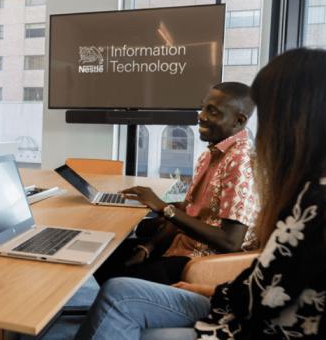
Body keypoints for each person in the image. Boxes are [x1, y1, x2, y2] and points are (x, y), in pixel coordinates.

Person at [75, 48, 326, 339]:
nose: (264, 130)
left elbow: (259, 295)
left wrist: (204, 286)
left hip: (251, 321)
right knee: (117, 279)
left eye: (270, 114)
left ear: (299, 119)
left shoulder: (318, 203)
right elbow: (271, 284)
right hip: (248, 302)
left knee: (119, 291)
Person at [94, 82, 259, 286]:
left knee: (117, 281)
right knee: (101, 255)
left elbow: (231, 242)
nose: (202, 116)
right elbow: (188, 213)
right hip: (182, 247)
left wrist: (165, 208)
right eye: (203, 107)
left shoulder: (241, 161)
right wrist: (149, 248)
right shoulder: (208, 155)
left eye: (213, 111)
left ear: (239, 120)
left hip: (203, 263)